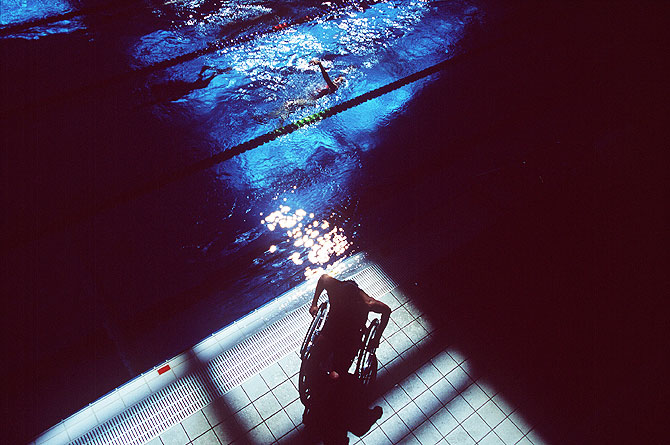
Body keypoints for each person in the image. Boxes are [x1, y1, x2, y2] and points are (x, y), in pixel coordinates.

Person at [308, 274, 391, 378]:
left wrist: (377, 337)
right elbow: (386, 311)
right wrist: (314, 303)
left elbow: (387, 311)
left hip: (348, 335)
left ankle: (329, 377)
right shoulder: (337, 289)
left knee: (330, 368)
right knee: (316, 359)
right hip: (338, 328)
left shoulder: (367, 303)